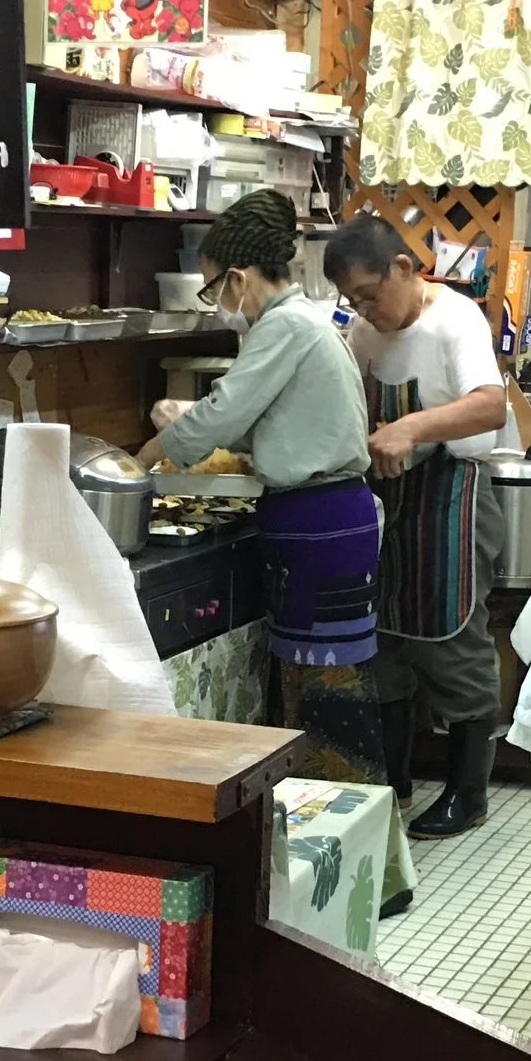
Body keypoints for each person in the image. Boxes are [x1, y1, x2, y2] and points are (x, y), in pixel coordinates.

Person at [147, 190, 383, 778]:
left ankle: (351, 851)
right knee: (327, 707)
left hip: (319, 527)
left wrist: (143, 459)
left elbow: (222, 416)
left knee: (330, 712)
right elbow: (263, 426)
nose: (220, 305)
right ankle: (345, 852)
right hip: (327, 523)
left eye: (214, 290)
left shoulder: (285, 328)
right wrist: (196, 426)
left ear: (238, 277)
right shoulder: (303, 324)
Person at [323, 213, 510, 838]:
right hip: (390, 498)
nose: (365, 311)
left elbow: (490, 404)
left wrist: (408, 428)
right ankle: (394, 786)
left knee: (453, 642)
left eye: (370, 296)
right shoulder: (366, 335)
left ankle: (468, 792)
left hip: (454, 496)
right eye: (352, 302)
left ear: (403, 268)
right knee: (387, 643)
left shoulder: (454, 319)